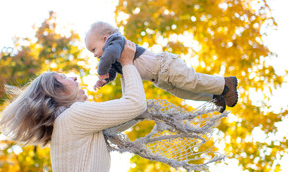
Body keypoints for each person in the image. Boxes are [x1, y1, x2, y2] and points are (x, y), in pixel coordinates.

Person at [0, 41, 147, 172]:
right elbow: (136, 104)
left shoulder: (66, 120)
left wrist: (123, 70)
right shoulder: (75, 116)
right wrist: (127, 62)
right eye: (63, 78)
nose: (74, 77)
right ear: (56, 92)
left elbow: (130, 112)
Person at [85, 21, 239, 113]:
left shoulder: (115, 41)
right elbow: (111, 71)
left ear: (105, 38)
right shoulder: (113, 57)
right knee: (183, 92)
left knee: (191, 81)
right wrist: (104, 80)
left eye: (93, 49)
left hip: (165, 66)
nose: (94, 55)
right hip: (159, 77)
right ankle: (214, 97)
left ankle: (225, 84)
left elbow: (108, 56)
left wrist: (101, 71)